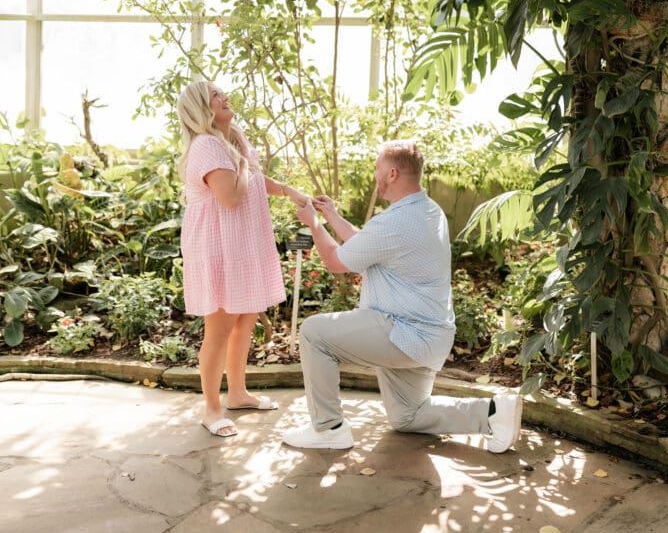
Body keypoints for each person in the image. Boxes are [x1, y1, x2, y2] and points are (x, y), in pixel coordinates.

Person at [281, 140, 522, 452]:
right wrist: (331, 215)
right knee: (408, 417)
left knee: (314, 333)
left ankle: (329, 428)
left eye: (377, 169)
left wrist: (313, 225)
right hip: (428, 337)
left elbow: (335, 262)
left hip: (404, 331)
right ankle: (493, 413)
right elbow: (365, 243)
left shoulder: (394, 221)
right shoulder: (427, 210)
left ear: (392, 173)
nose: (375, 175)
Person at [178, 80, 308, 437]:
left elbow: (252, 177)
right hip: (218, 245)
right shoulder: (207, 146)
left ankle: (237, 393)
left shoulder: (231, 137)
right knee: (219, 329)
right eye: (215, 96)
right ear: (202, 109)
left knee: (245, 320)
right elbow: (232, 196)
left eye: (221, 92)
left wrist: (286, 190)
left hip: (242, 241)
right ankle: (211, 408)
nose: (224, 97)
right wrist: (245, 164)